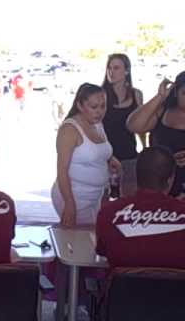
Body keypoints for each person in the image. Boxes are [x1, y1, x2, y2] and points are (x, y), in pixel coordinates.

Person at [96, 146, 185, 269]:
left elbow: (102, 251)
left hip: (122, 287)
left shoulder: (108, 213)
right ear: (170, 180)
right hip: (177, 288)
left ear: (137, 176)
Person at [51, 83, 120, 227]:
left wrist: (110, 159)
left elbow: (96, 150)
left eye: (103, 106)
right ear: (80, 106)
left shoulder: (97, 124)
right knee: (79, 242)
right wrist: (69, 205)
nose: (99, 112)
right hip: (75, 198)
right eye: (94, 107)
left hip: (96, 196)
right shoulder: (69, 130)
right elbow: (62, 171)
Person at [127, 73, 185, 198]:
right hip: (157, 184)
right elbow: (133, 126)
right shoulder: (163, 111)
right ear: (176, 93)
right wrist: (160, 97)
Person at [102, 54, 144, 197]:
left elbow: (141, 125)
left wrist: (144, 148)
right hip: (105, 156)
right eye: (109, 68)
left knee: (129, 200)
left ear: (126, 71)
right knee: (103, 201)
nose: (111, 72)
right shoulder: (102, 95)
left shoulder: (136, 94)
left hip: (129, 154)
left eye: (116, 68)